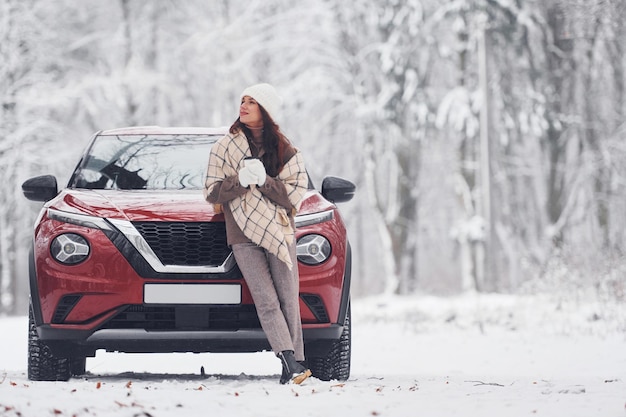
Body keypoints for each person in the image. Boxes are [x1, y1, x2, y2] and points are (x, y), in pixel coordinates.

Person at [203, 83, 311, 384]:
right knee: (265, 298)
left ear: (265, 110)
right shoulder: (224, 147)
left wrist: (264, 181)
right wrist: (240, 180)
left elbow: (293, 197)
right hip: (241, 232)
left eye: (252, 101)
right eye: (242, 100)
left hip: (278, 230)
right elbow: (211, 193)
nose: (244, 105)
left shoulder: (286, 151)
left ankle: (296, 363)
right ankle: (290, 362)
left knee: (288, 296)